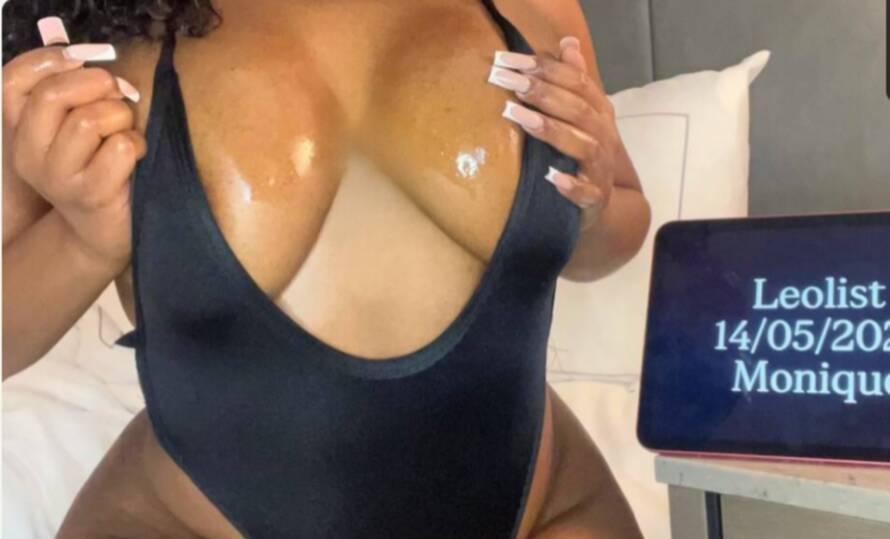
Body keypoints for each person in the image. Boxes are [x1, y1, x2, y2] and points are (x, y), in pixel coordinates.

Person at [2, 0, 651, 537]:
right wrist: (82, 241)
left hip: (542, 511)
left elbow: (621, 222)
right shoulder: (87, 41)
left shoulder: (532, 7)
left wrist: (592, 204)